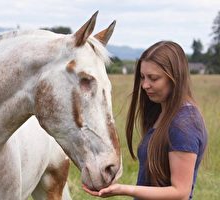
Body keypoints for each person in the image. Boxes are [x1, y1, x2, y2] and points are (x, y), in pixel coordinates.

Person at [83, 41, 208, 199]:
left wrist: (124, 189)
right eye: (142, 77)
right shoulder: (164, 113)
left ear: (175, 77)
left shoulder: (184, 124)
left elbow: (180, 192)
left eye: (153, 78)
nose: (145, 85)